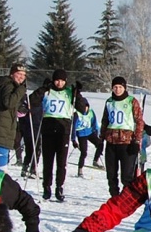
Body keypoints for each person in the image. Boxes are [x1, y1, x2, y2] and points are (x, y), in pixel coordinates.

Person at [32, 69, 88, 203]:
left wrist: (78, 94)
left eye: (62, 80)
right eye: (57, 80)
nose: (59, 83)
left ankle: (59, 187)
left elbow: (82, 109)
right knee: (48, 160)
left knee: (62, 162)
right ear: (53, 80)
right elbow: (32, 102)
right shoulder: (47, 91)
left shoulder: (69, 92)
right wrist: (41, 89)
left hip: (63, 128)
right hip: (48, 127)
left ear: (65, 81)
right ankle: (47, 187)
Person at [101, 77, 144, 198]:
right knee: (111, 174)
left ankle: (125, 199)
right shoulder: (109, 102)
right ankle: (114, 196)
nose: (117, 89)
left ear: (124, 88)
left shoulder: (131, 101)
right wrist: (101, 138)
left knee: (127, 175)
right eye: (115, 87)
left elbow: (139, 121)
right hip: (111, 141)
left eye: (120, 87)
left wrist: (136, 140)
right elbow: (105, 120)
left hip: (127, 142)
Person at [18, 77, 44, 179]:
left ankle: (26, 168)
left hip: (32, 128)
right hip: (32, 128)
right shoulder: (33, 101)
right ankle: (32, 169)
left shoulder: (32, 100)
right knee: (35, 149)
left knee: (31, 149)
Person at [73, 97, 103, 176]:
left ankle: (95, 161)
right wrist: (73, 140)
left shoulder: (91, 112)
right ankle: (80, 170)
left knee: (100, 144)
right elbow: (73, 128)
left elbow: (94, 123)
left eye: (86, 107)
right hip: (81, 134)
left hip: (90, 132)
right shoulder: (77, 114)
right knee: (84, 152)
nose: (84, 109)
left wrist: (97, 134)